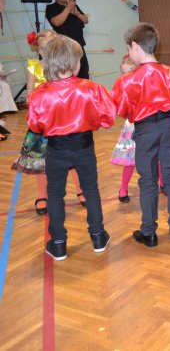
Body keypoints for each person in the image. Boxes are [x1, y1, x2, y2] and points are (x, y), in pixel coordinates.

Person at [27, 35, 115, 261]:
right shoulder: (91, 89)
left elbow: (35, 126)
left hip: (56, 150)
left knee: (55, 194)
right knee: (91, 189)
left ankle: (58, 243)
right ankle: (98, 236)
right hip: (84, 147)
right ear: (74, 63)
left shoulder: (40, 94)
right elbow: (108, 118)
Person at [112, 23, 170, 247]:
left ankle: (149, 232)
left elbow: (123, 109)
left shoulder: (128, 79)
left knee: (148, 179)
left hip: (145, 130)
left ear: (135, 46)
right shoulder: (169, 73)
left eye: (128, 49)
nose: (129, 54)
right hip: (167, 128)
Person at [12, 30, 87, 214]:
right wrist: (36, 106)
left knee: (71, 158)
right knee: (41, 160)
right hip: (42, 123)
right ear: (38, 49)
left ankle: (81, 189)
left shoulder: (63, 67)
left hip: (63, 122)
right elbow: (30, 94)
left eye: (52, 47)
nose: (47, 51)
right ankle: (42, 195)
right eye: (43, 48)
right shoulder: (34, 67)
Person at [110, 56, 164, 203]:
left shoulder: (146, 83)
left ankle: (163, 183)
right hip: (132, 126)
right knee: (130, 159)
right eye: (124, 72)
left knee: (157, 156)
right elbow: (121, 107)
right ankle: (123, 189)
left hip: (149, 124)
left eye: (131, 70)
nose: (127, 75)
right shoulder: (123, 87)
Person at [45, 0, 90, 79]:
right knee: (67, 74)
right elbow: (56, 22)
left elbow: (86, 20)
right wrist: (68, 8)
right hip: (64, 48)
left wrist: (77, 14)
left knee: (84, 73)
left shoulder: (74, 6)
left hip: (79, 45)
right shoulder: (51, 7)